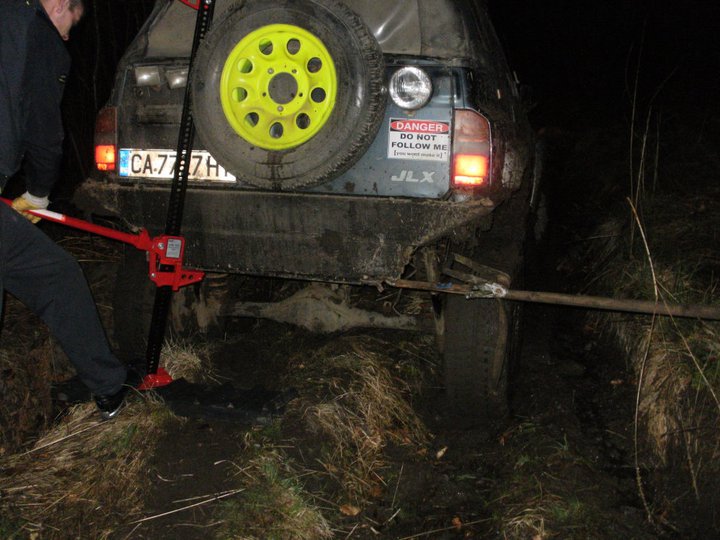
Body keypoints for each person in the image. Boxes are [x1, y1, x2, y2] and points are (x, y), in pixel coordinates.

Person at [0, 0, 131, 419]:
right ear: (58, 4)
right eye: (69, 24)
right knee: (58, 276)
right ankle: (110, 389)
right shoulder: (37, 33)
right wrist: (39, 193)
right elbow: (43, 131)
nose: (69, 37)